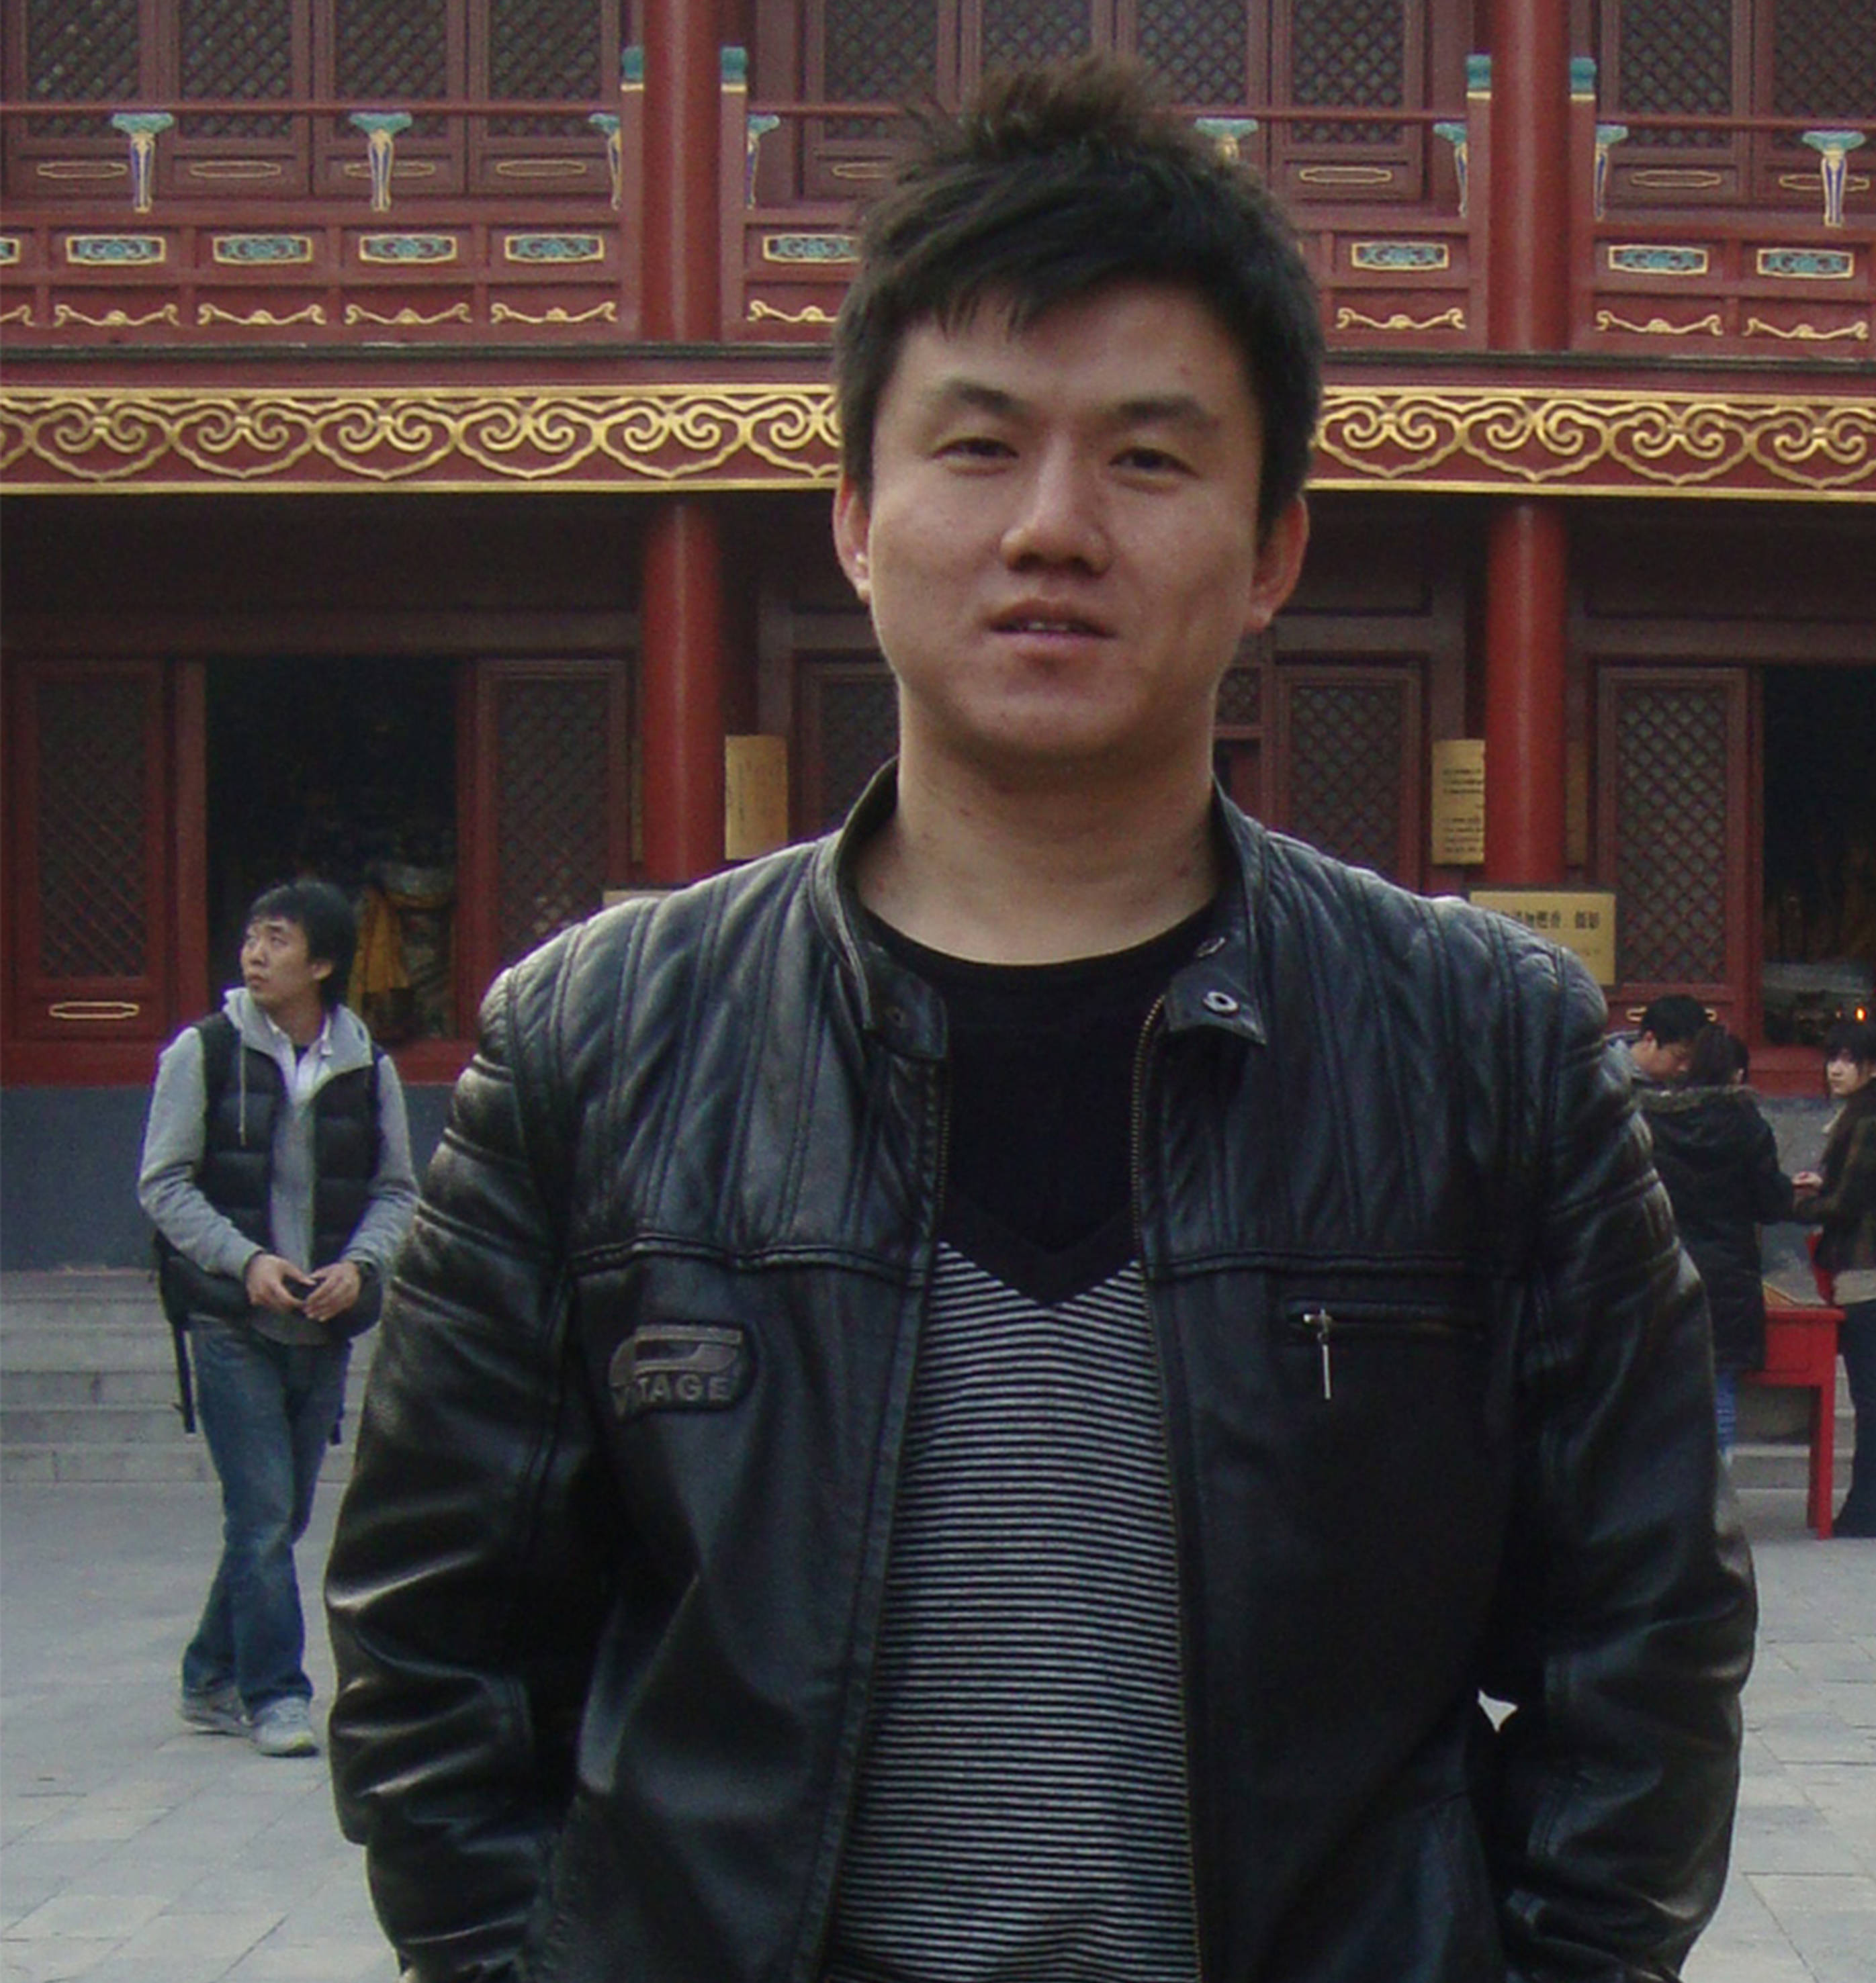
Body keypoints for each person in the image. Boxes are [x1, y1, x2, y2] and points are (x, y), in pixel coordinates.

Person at [325, 56, 1754, 1983]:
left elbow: (1640, 1648)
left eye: (1148, 460)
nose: (1054, 527)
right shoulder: (599, 1042)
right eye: (979, 446)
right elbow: (435, 1655)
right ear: (855, 513)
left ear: (1273, 547)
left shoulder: (1480, 1046)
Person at [138, 878, 417, 1757]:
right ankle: (276, 1696)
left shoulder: (368, 1066)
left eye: (278, 940)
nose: (255, 955)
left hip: (322, 1319)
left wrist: (359, 1265)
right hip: (230, 1316)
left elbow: (397, 1190)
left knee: (283, 1516)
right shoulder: (204, 1051)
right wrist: (245, 1260)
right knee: (261, 1516)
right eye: (252, 937)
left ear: (322, 963)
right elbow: (164, 1185)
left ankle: (207, 1672)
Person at [1640, 1023, 1798, 1452]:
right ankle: (1718, 1483)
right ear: (1736, 1074)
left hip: (1666, 1268)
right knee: (1721, 1388)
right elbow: (1770, 1204)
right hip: (1728, 1273)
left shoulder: (1653, 1122)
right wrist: (1789, 1190)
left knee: (1667, 1390)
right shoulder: (1747, 1124)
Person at [1794, 1018, 1876, 1537]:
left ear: (1875, 1067)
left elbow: (1847, 1204)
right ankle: (1871, 1508)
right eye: (1833, 1057)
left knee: (1871, 1396)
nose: (1836, 1069)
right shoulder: (1874, 1114)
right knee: (1872, 1395)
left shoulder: (1869, 1123)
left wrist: (1795, 1202)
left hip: (1871, 1271)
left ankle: (1871, 1510)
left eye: (1849, 1060)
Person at [1613, 990, 1711, 1089]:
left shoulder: (1686, 1082)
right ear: (1649, 1040)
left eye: (1692, 1060)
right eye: (1680, 1057)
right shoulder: (1609, 1076)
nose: (1685, 1068)